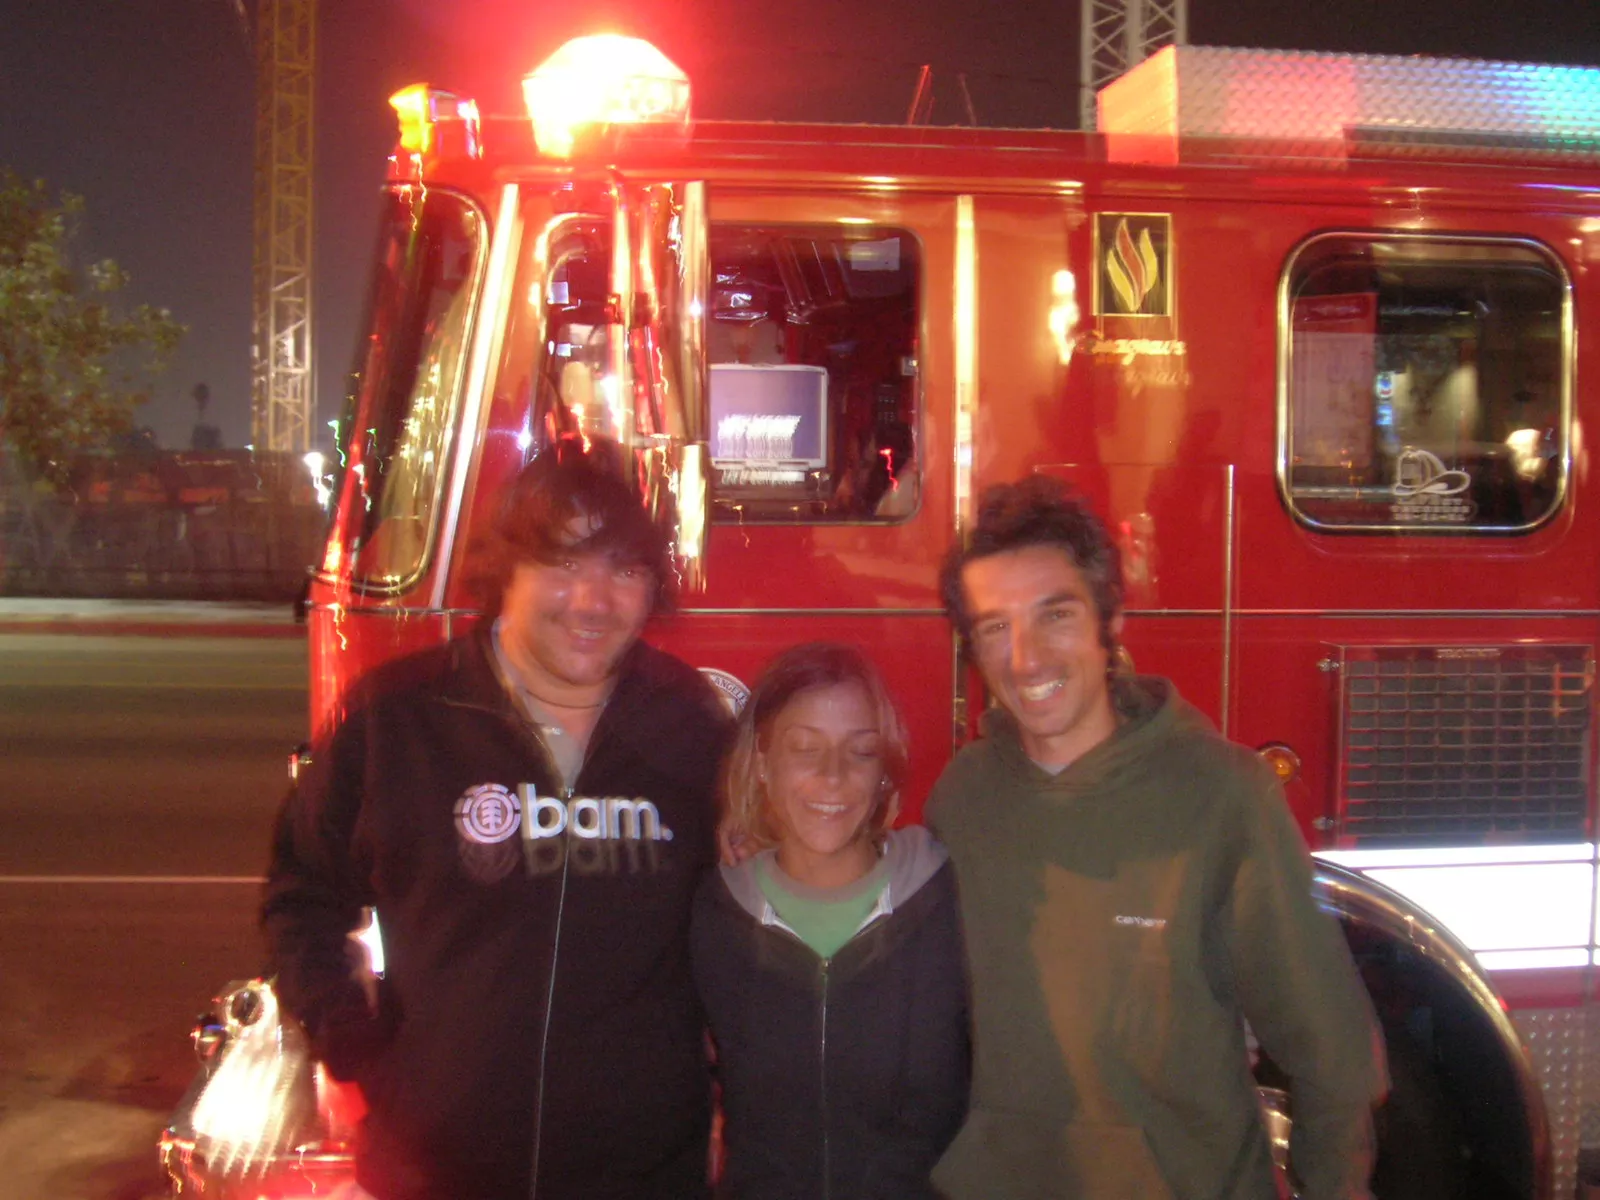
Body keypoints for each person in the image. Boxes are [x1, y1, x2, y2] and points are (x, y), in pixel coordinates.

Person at [262, 436, 731, 1200]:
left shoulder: (691, 725)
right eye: (563, 564)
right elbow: (302, 895)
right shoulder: (398, 720)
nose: (593, 601)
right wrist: (358, 1045)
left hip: (643, 1172)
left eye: (624, 569)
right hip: (436, 1172)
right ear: (505, 570)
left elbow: (742, 921)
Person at [927, 476, 1386, 1200]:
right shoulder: (964, 797)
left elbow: (1331, 1050)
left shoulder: (1223, 796)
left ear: (1111, 621)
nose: (1026, 658)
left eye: (1055, 615)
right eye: (994, 628)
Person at [691, 642, 969, 1199]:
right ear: (763, 764)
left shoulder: (947, 900)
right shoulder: (716, 913)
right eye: (804, 749)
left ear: (884, 770)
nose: (833, 776)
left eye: (860, 752)